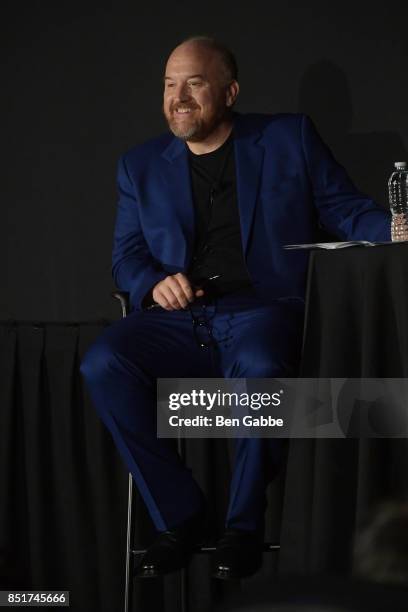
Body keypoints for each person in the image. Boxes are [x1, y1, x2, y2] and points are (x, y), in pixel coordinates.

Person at [79, 35, 391, 580]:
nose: (178, 96)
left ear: (229, 91)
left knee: (263, 371)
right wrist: (153, 283)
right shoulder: (140, 166)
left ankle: (242, 528)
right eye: (169, 84)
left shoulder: (287, 138)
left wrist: (395, 228)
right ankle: (181, 516)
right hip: (178, 321)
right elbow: (126, 258)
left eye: (194, 83)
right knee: (102, 363)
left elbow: (345, 209)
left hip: (263, 311)